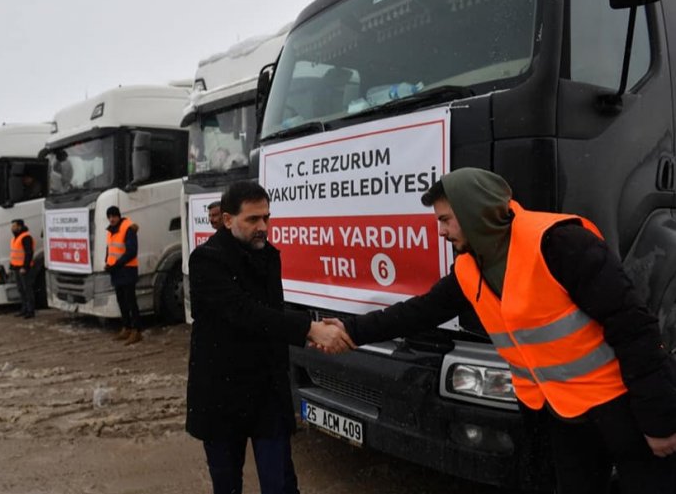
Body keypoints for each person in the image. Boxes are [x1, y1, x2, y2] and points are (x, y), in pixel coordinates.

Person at [320, 167, 676, 494]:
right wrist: (352, 330)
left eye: (446, 220)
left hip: (619, 407)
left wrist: (658, 420)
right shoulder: (471, 267)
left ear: (476, 213)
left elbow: (633, 327)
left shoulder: (560, 244)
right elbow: (418, 313)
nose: (441, 231)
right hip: (561, 417)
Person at [186, 180, 353, 494]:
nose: (262, 227)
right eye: (252, 220)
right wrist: (308, 328)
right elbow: (243, 312)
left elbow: (270, 315)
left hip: (266, 392)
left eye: (266, 218)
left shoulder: (268, 255)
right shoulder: (206, 260)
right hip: (221, 391)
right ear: (227, 220)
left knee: (281, 484)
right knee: (227, 484)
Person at [105, 206, 143, 346]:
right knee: (121, 300)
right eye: (109, 216)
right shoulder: (110, 230)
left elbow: (131, 251)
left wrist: (116, 264)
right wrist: (107, 263)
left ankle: (136, 330)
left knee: (130, 301)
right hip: (116, 270)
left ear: (119, 216)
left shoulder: (128, 228)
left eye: (114, 216)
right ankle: (126, 327)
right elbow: (109, 249)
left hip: (127, 269)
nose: (111, 219)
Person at [9, 219, 35, 318]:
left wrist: (25, 267)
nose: (12, 228)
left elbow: (29, 253)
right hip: (16, 267)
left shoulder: (26, 237)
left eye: (14, 226)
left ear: (19, 227)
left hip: (24, 268)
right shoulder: (15, 238)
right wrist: (11, 266)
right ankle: (24, 309)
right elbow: (14, 254)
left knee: (27, 289)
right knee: (21, 289)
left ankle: (30, 311)